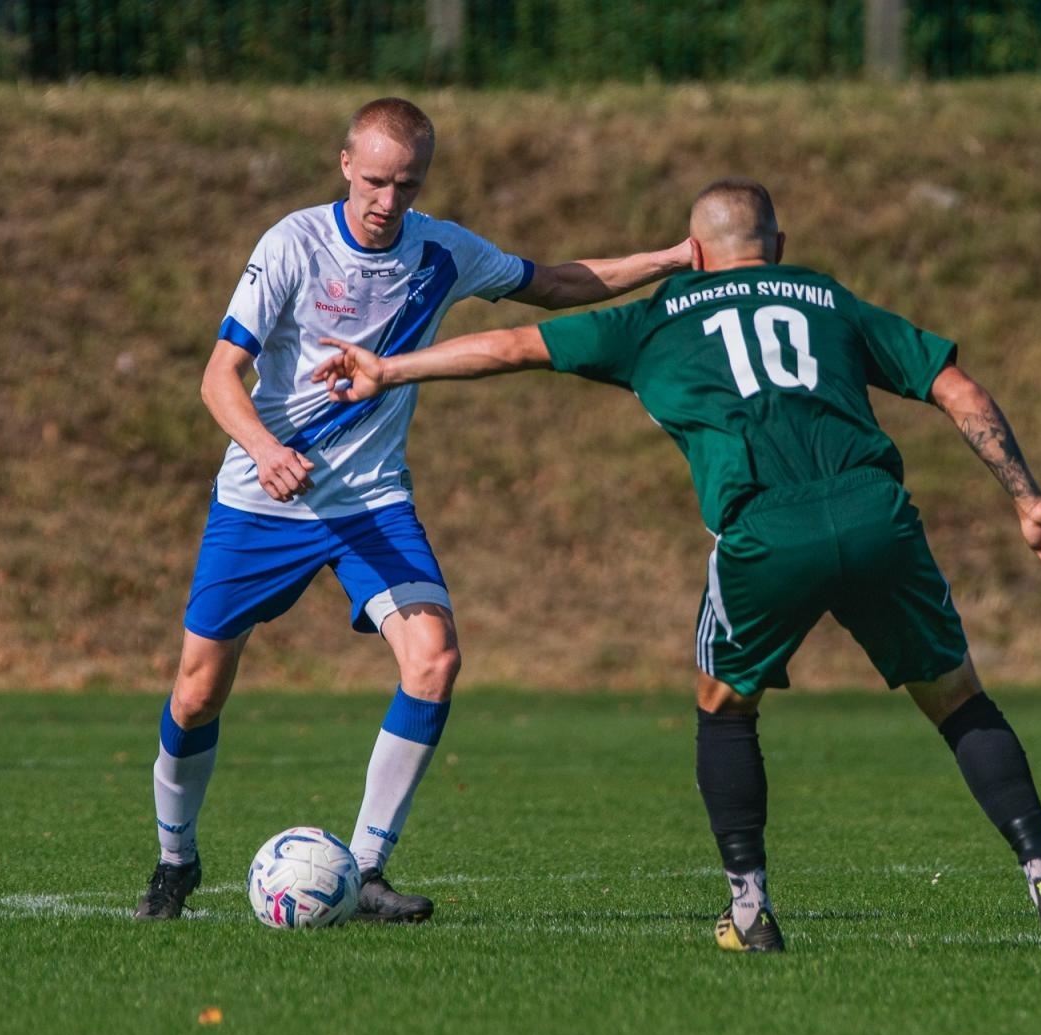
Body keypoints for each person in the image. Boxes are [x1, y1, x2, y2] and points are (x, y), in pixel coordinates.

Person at [312, 177, 1041, 951]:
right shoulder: (827, 298)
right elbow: (956, 385)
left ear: (695, 252)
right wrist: (1026, 497)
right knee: (958, 698)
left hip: (766, 531)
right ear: (779, 246)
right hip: (877, 516)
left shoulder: (658, 318)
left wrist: (390, 368)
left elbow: (514, 345)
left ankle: (750, 908)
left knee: (724, 705)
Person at [135, 97, 691, 922]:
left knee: (433, 658)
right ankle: (175, 858)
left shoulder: (443, 250)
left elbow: (555, 282)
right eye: (376, 181)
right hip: (263, 500)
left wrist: (677, 255)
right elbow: (220, 374)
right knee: (196, 692)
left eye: (407, 183)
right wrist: (264, 449)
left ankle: (362, 869)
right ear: (344, 165)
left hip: (371, 502)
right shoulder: (293, 244)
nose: (388, 200)